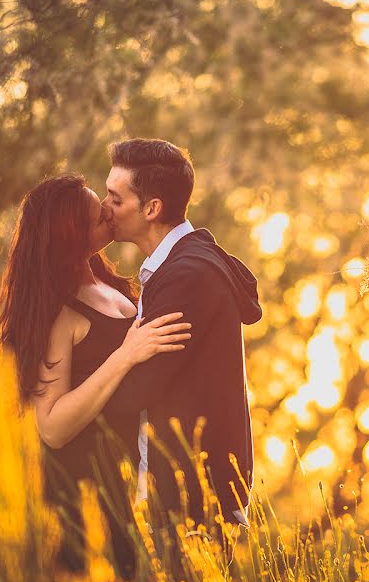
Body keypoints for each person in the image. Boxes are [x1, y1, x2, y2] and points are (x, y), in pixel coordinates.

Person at [0, 174, 192, 579]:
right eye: (95, 213)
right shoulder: (57, 313)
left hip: (125, 486)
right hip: (79, 500)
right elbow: (52, 427)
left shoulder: (110, 284)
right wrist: (124, 356)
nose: (106, 209)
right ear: (70, 236)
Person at [101, 138, 261, 543]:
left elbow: (134, 390)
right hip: (181, 507)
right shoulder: (180, 267)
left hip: (190, 514)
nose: (105, 207)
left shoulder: (188, 276)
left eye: (115, 199)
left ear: (151, 209)